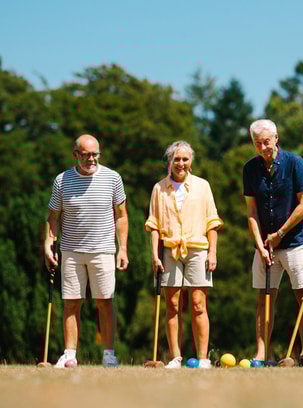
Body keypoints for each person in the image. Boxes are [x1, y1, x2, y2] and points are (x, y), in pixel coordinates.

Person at [43, 134, 128, 368]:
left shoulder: (113, 178)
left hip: (103, 250)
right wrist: (48, 243)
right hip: (70, 249)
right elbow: (53, 217)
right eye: (86, 155)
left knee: (105, 301)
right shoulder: (62, 180)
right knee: (71, 302)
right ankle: (69, 354)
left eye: (95, 154)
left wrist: (123, 249)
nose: (91, 159)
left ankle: (109, 354)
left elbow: (121, 216)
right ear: (75, 155)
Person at [243, 119, 303, 366]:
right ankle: (262, 354)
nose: (263, 147)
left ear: (276, 138)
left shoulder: (295, 163)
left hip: (295, 242)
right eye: (257, 143)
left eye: (266, 141)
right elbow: (251, 213)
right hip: (265, 247)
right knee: (264, 299)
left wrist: (280, 234)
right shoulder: (250, 169)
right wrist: (261, 246)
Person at [145, 141, 222, 369]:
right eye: (176, 159)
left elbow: (212, 222)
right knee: (173, 304)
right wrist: (155, 255)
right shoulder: (159, 188)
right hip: (169, 250)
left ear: (191, 162)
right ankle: (175, 357)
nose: (180, 163)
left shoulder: (202, 186)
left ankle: (203, 358)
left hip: (198, 249)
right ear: (170, 162)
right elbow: (155, 224)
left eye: (185, 159)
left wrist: (213, 252)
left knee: (198, 303)